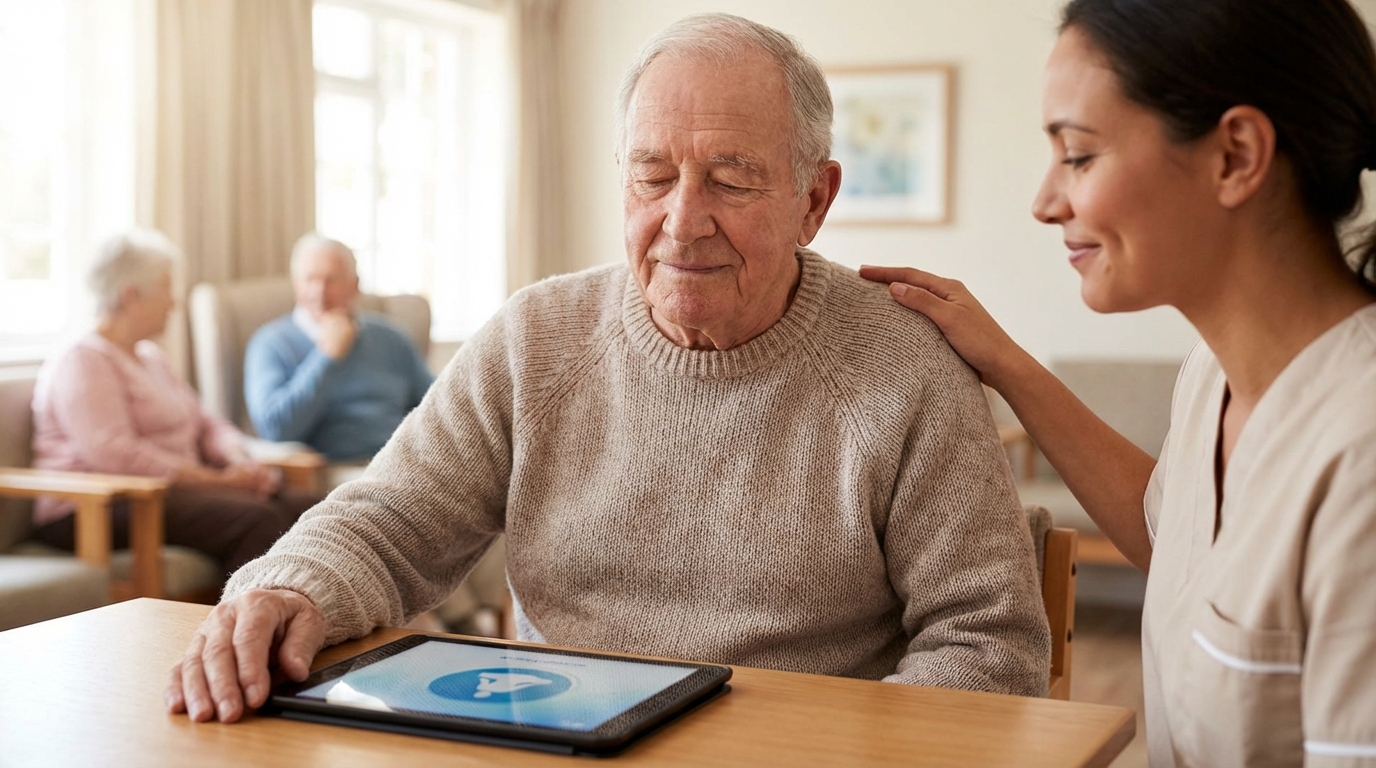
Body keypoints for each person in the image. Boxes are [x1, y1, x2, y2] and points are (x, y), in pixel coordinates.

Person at [167, 13, 1050, 725]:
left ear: (812, 199)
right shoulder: (534, 337)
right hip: (560, 741)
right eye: (651, 176)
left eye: (731, 179)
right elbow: (391, 519)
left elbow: (986, 640)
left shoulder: (905, 365)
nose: (683, 219)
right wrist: (291, 587)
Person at [862, 0, 1376, 764]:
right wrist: (1003, 359)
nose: (1044, 202)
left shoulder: (1358, 456)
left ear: (1235, 155)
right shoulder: (1215, 378)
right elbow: (1171, 537)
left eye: (1078, 156)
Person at [30, 230, 317, 578]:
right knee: (256, 518)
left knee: (312, 508)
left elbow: (206, 422)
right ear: (131, 295)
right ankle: (237, 629)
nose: (174, 302)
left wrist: (238, 458)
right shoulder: (84, 358)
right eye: (167, 288)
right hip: (96, 507)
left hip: (168, 494)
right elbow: (116, 454)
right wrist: (218, 482)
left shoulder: (150, 356)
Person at [243, 234, 434, 462]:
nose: (319, 292)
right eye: (310, 280)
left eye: (331, 280)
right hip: (332, 471)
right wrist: (326, 357)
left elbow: (436, 405)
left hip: (403, 460)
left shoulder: (391, 338)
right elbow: (275, 429)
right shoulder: (270, 344)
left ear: (354, 286)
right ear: (295, 284)